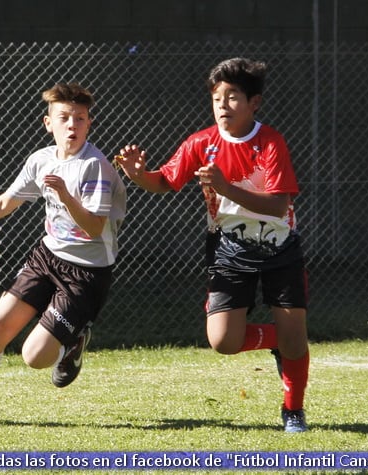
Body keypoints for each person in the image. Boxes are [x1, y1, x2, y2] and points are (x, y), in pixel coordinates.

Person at [115, 57, 310, 433]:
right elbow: (165, 181)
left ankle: (293, 410)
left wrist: (225, 188)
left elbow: (277, 205)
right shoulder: (201, 142)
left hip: (279, 250)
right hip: (230, 252)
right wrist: (139, 176)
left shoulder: (270, 142)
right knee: (222, 341)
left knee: (296, 341)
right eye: (217, 97)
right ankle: (278, 340)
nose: (223, 105)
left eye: (233, 97)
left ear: (254, 103)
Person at [0, 83, 126, 427]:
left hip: (87, 272)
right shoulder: (41, 160)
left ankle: (73, 341)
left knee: (34, 357)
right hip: (46, 258)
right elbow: (5, 202)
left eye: (80, 118)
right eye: (63, 118)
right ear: (48, 123)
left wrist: (65, 195)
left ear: (89, 124)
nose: (72, 125)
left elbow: (93, 228)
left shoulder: (95, 167)